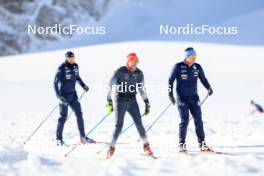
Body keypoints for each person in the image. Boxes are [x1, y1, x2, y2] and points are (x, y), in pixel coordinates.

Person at [106, 52, 153, 158]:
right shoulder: (119, 71)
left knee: (139, 124)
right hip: (120, 101)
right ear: (128, 61)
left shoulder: (139, 73)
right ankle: (111, 148)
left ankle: (146, 146)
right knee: (118, 126)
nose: (135, 64)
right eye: (133, 61)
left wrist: (146, 102)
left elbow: (141, 89)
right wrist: (109, 102)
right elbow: (110, 86)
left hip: (132, 101)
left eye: (136, 62)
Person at [168, 47, 213, 152]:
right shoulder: (178, 66)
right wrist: (170, 95)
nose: (194, 58)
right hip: (182, 98)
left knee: (198, 120)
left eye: (195, 56)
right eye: (192, 56)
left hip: (194, 97)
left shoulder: (197, 67)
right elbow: (170, 80)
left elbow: (203, 79)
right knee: (185, 120)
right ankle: (182, 144)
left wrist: (209, 88)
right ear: (187, 57)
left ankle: (202, 143)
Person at [54, 51, 94, 146]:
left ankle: (83, 137)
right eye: (70, 59)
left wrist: (83, 85)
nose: (72, 60)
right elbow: (55, 83)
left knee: (79, 114)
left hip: (73, 95)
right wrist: (58, 95)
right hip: (63, 96)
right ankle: (59, 139)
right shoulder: (62, 68)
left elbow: (77, 78)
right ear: (66, 59)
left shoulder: (76, 66)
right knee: (63, 117)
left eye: (73, 58)